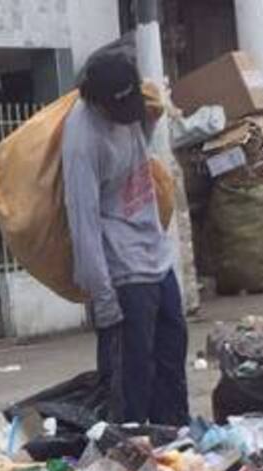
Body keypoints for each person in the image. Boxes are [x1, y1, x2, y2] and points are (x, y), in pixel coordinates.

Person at [62, 49, 189, 426]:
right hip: (122, 274)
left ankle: (177, 446)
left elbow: (140, 152)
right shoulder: (82, 141)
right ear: (96, 100)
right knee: (131, 382)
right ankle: (130, 463)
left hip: (156, 258)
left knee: (171, 360)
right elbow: (82, 222)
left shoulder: (134, 109)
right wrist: (103, 299)